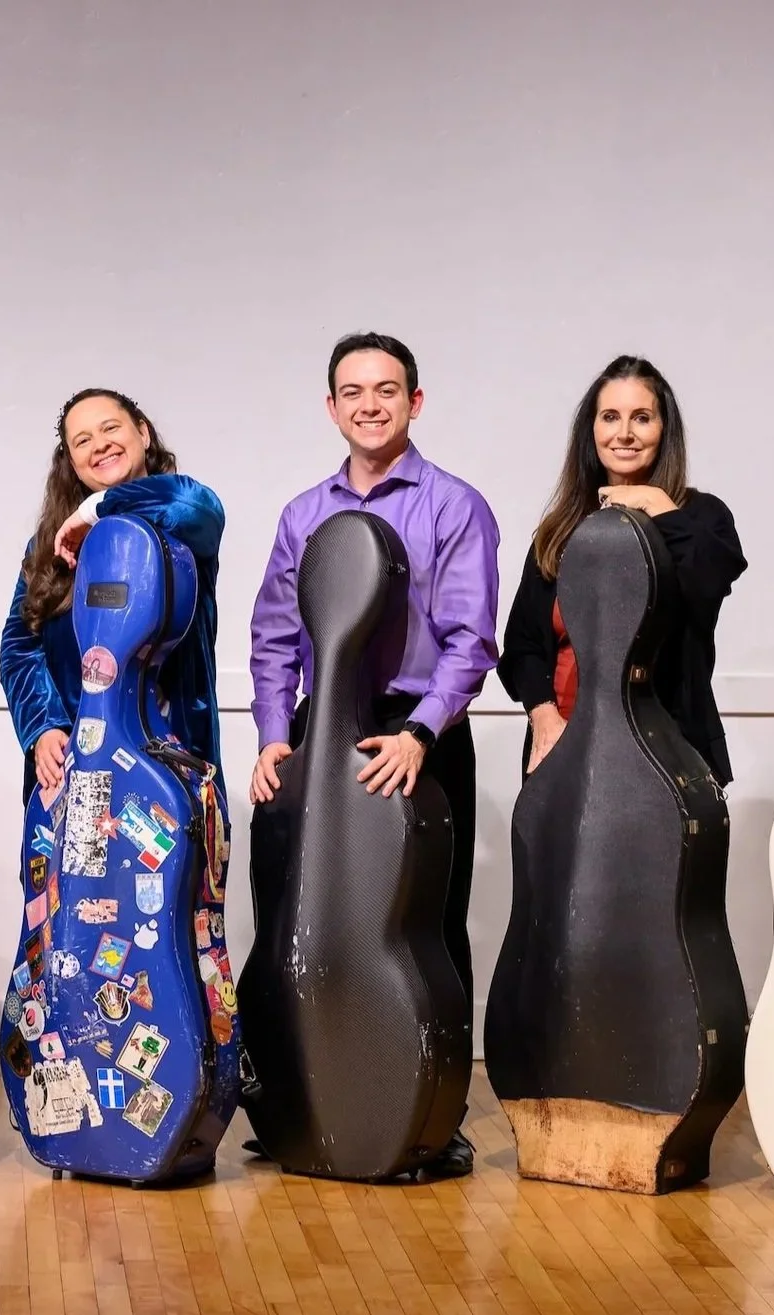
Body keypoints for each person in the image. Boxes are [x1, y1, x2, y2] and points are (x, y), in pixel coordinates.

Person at [247, 332, 500, 1181]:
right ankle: (302, 1096)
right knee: (300, 916)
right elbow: (274, 638)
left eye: (386, 390)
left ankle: (435, 1116)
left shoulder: (454, 506)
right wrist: (275, 736)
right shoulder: (301, 515)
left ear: (415, 402)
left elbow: (470, 641)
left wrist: (421, 734)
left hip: (416, 734)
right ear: (331, 408)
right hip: (321, 733)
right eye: (351, 392)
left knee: (424, 926)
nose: (369, 405)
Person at [498, 356, 745, 780]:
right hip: (563, 748)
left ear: (664, 430)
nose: (624, 433)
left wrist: (657, 506)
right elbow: (522, 646)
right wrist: (543, 716)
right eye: (610, 417)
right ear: (591, 430)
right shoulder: (559, 529)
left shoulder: (700, 517)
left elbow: (708, 585)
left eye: (642, 418)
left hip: (668, 756)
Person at [0, 388, 227, 803]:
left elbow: (198, 506)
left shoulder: (182, 524)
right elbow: (19, 646)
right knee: (69, 870)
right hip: (76, 764)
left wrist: (95, 510)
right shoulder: (50, 545)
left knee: (173, 867)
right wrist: (43, 726)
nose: (99, 444)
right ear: (71, 461)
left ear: (142, 432)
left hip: (172, 761)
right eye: (82, 440)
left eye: (110, 428)